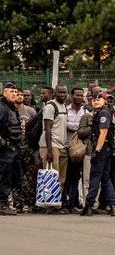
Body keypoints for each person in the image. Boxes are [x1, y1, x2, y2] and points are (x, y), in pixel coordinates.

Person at [81, 91, 115, 217]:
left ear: (104, 101)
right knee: (105, 177)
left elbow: (103, 132)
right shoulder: (100, 112)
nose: (96, 101)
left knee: (95, 176)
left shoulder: (103, 113)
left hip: (102, 148)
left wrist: (97, 150)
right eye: (94, 99)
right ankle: (113, 205)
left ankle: (88, 205)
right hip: (106, 148)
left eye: (99, 99)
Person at [39, 84, 69, 213]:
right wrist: (49, 151)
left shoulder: (63, 106)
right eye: (60, 92)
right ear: (55, 93)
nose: (62, 94)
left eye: (64, 92)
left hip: (62, 146)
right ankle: (49, 205)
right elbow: (48, 129)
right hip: (50, 146)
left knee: (61, 178)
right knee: (51, 176)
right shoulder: (51, 106)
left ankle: (56, 203)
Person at [13, 87, 36, 212]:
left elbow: (36, 128)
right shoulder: (10, 110)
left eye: (22, 94)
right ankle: (18, 202)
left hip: (28, 148)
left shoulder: (30, 111)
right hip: (14, 147)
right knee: (16, 175)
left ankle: (30, 202)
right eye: (18, 94)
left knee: (30, 175)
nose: (20, 97)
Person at [0, 82, 21, 215]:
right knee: (4, 176)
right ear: (4, 93)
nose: (14, 94)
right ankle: (2, 204)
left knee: (13, 175)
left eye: (15, 92)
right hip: (5, 148)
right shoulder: (2, 107)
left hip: (13, 147)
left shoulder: (11, 107)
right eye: (11, 92)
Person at [65, 87, 86, 212]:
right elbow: (63, 124)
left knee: (76, 176)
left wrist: (76, 127)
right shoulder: (65, 110)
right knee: (66, 175)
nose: (79, 97)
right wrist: (79, 127)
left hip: (81, 148)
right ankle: (65, 202)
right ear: (72, 96)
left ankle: (74, 202)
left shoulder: (85, 111)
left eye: (81, 95)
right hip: (67, 145)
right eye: (77, 95)